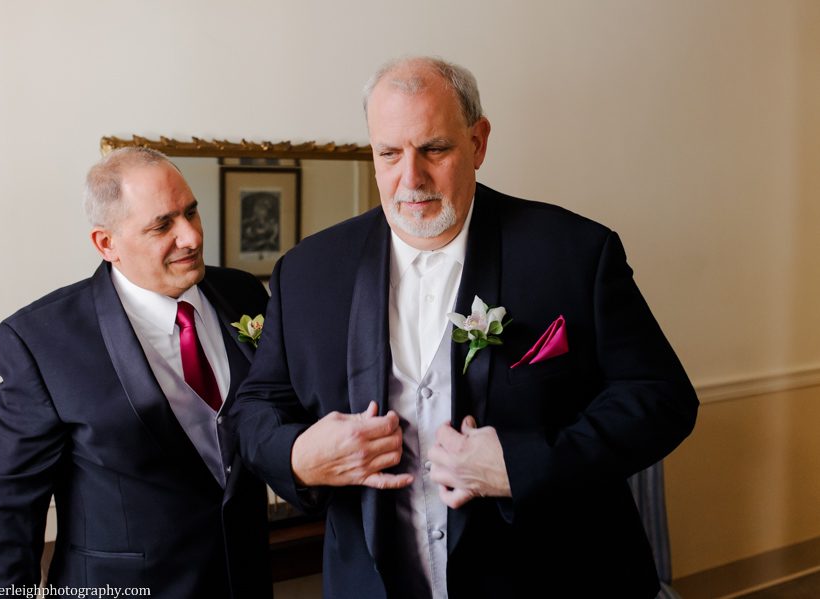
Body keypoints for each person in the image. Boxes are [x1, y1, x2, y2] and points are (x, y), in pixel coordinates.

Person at [233, 56, 698, 598]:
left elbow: (661, 398)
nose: (411, 179)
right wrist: (297, 456)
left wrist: (524, 466)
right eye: (389, 154)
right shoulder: (308, 271)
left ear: (478, 142)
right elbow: (254, 408)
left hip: (556, 577)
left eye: (435, 149)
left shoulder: (575, 253)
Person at [0, 147, 272, 598]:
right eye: (163, 225)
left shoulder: (243, 293)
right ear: (106, 243)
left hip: (245, 577)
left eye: (191, 212)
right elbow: (12, 509)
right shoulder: (40, 340)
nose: (191, 237)